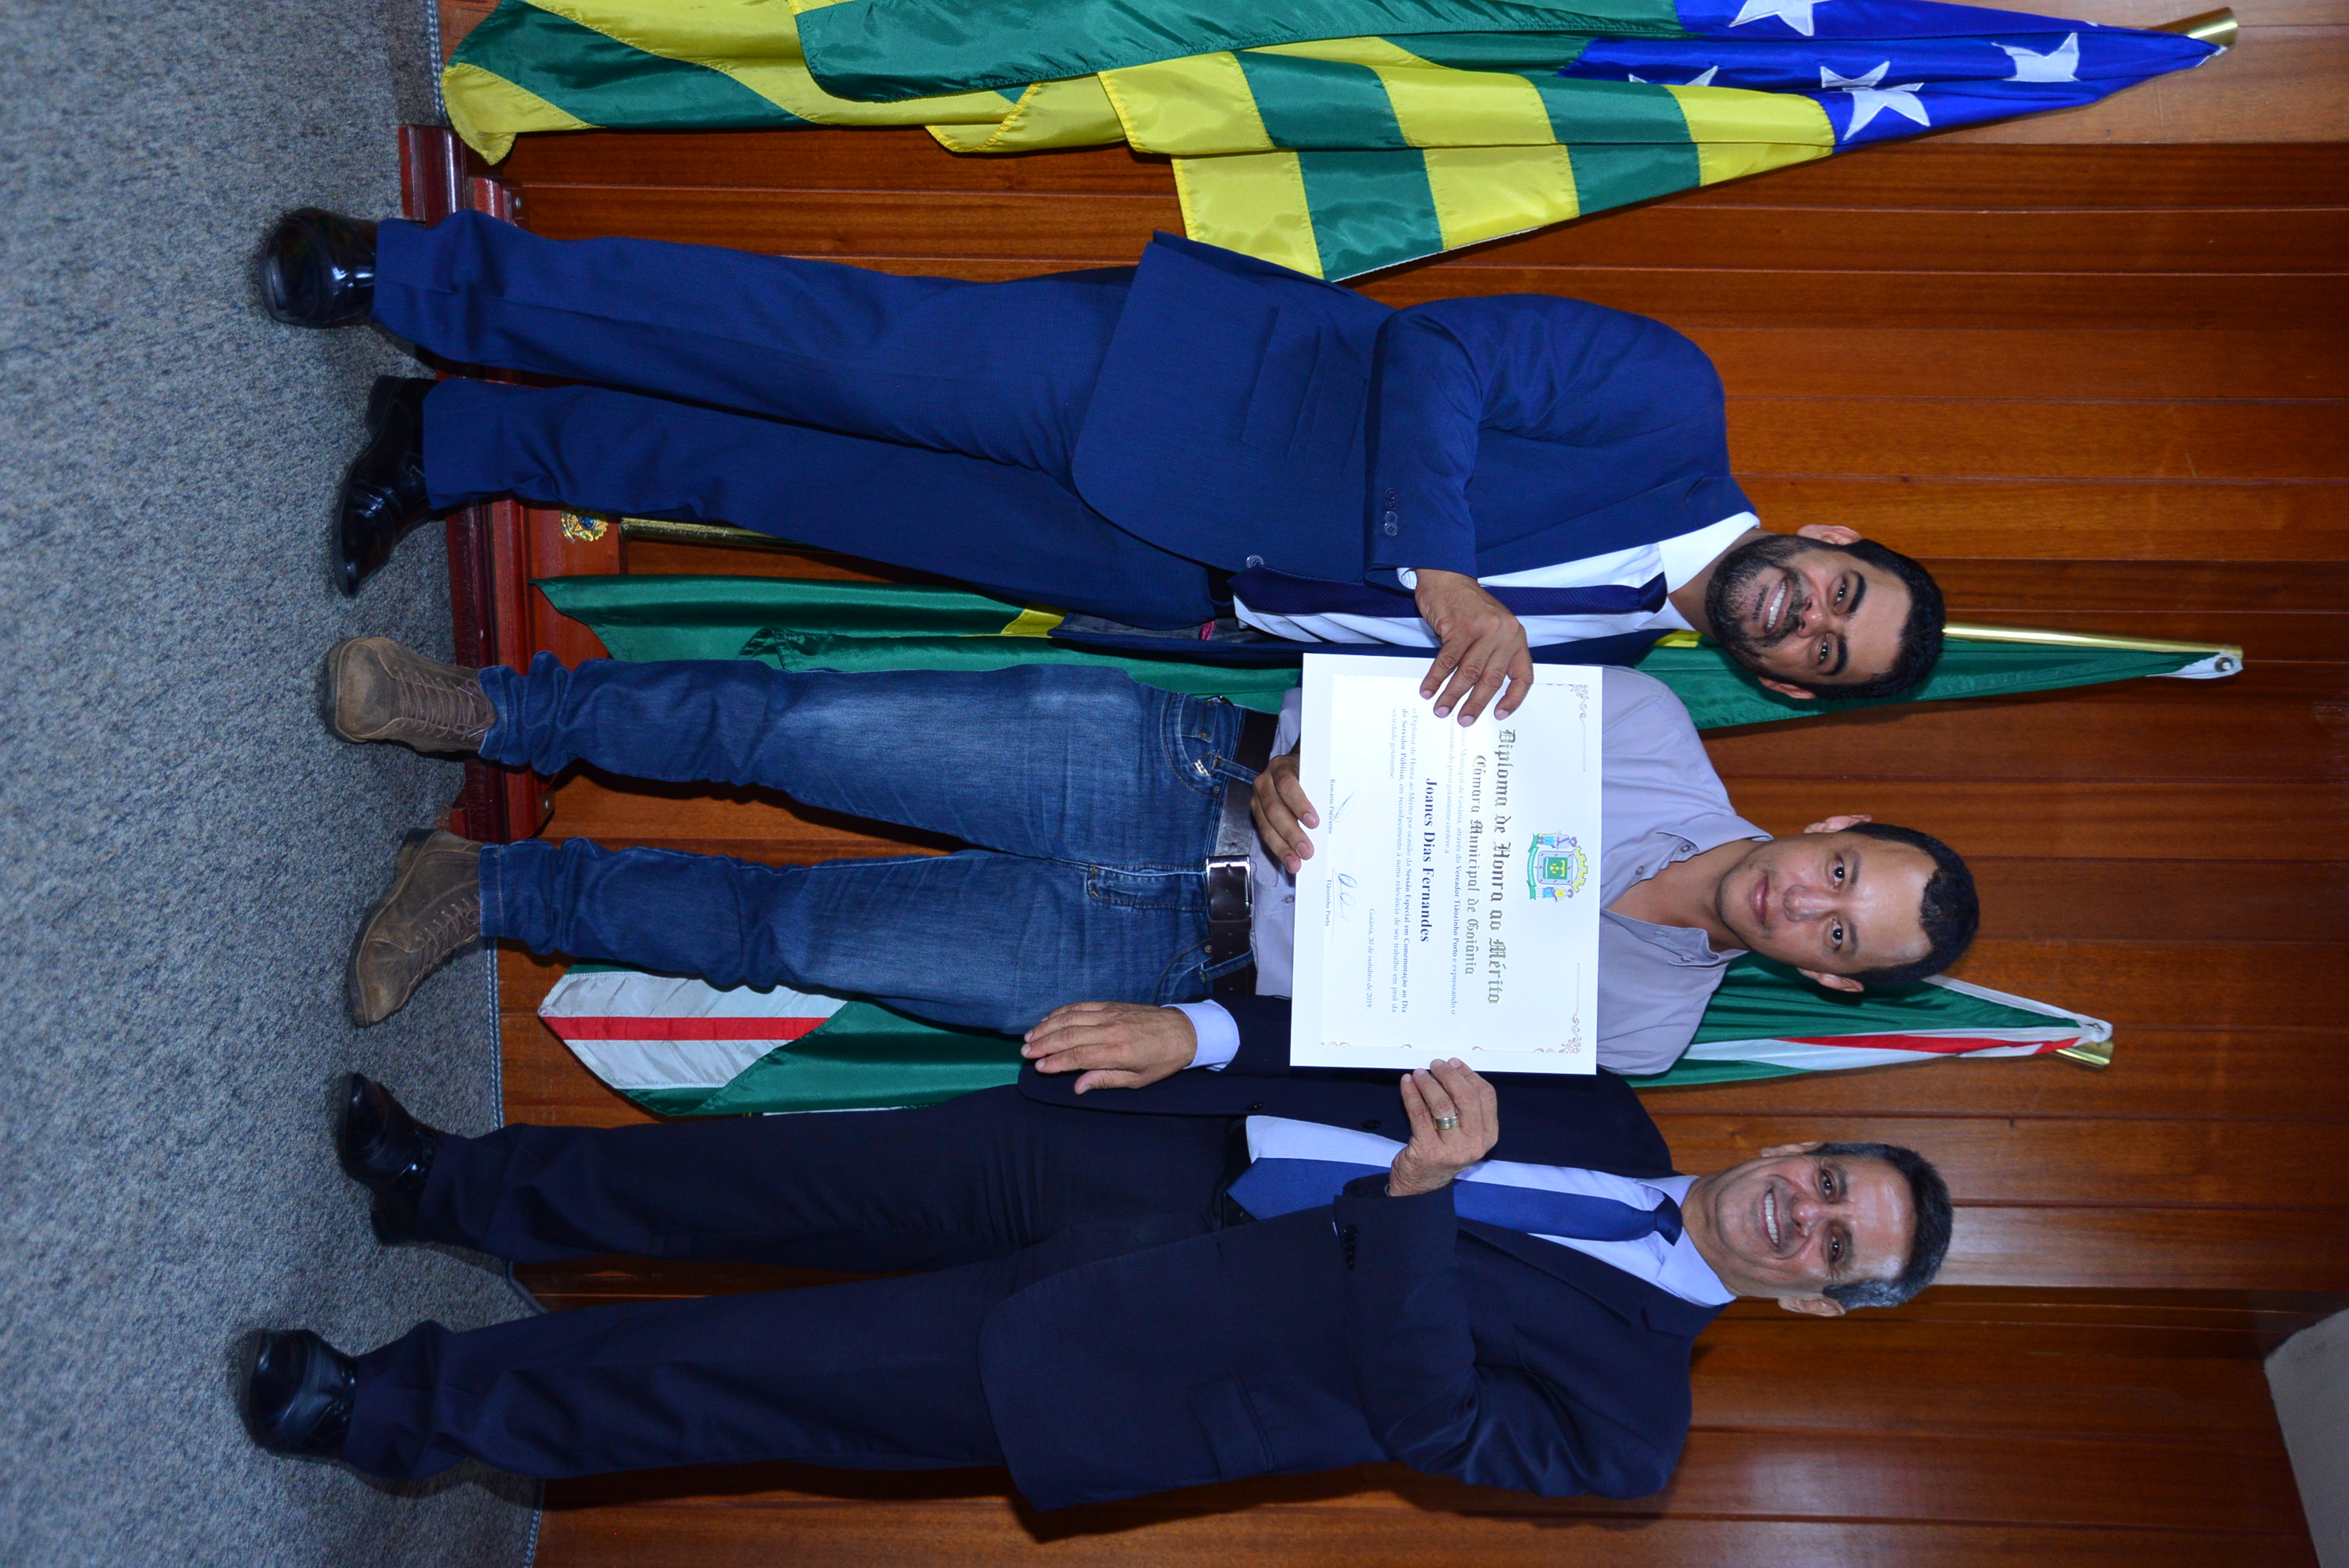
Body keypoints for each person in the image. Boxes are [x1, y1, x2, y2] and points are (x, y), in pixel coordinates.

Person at [261, 207, 1945, 725]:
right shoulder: (1670, 406)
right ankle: (407, 277)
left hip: (1161, 575)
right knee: (803, 345)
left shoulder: (1616, 664)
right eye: (1839, 593)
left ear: (1784, 685)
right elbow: (1442, 355)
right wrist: (1441, 562)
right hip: (1175, 390)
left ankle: (454, 438)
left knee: (776, 480)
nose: (1804, 617)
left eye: (1819, 652)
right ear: (1832, 533)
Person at [241, 1062, 1954, 1499]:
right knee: (763, 1174)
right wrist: (1195, 1031)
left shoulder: (1629, 1426)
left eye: (1835, 1246)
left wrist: (1424, 1205)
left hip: (1133, 1357)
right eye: (1830, 1181)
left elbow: (1436, 1419)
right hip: (1145, 1156)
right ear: (1799, 1143)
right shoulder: (1609, 1105)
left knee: (739, 1370)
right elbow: (1357, 1032)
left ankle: (395, 1411)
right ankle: (451, 1185)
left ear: (1815, 1302)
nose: (1803, 1214)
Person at [325, 637, 1978, 1077]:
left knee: (792, 936)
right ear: (1834, 831)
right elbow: (1405, 667)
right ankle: (487, 710)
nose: (1812, 901)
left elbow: (1375, 1060)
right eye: (1847, 873)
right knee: (798, 730)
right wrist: (1315, 746)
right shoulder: (1649, 729)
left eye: (1846, 933)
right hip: (1178, 771)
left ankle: (490, 892)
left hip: (1161, 958)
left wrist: (1190, 1033)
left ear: (1833, 978)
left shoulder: (1648, 1033)